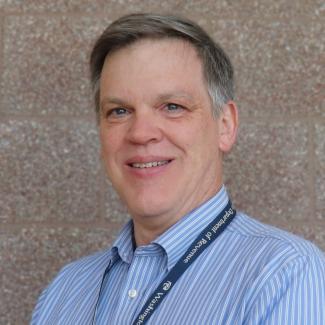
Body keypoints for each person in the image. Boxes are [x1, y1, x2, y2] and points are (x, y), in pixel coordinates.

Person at [31, 13, 325, 325]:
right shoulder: (65, 290)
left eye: (172, 107)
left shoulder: (284, 275)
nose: (141, 133)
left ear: (225, 126)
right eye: (119, 111)